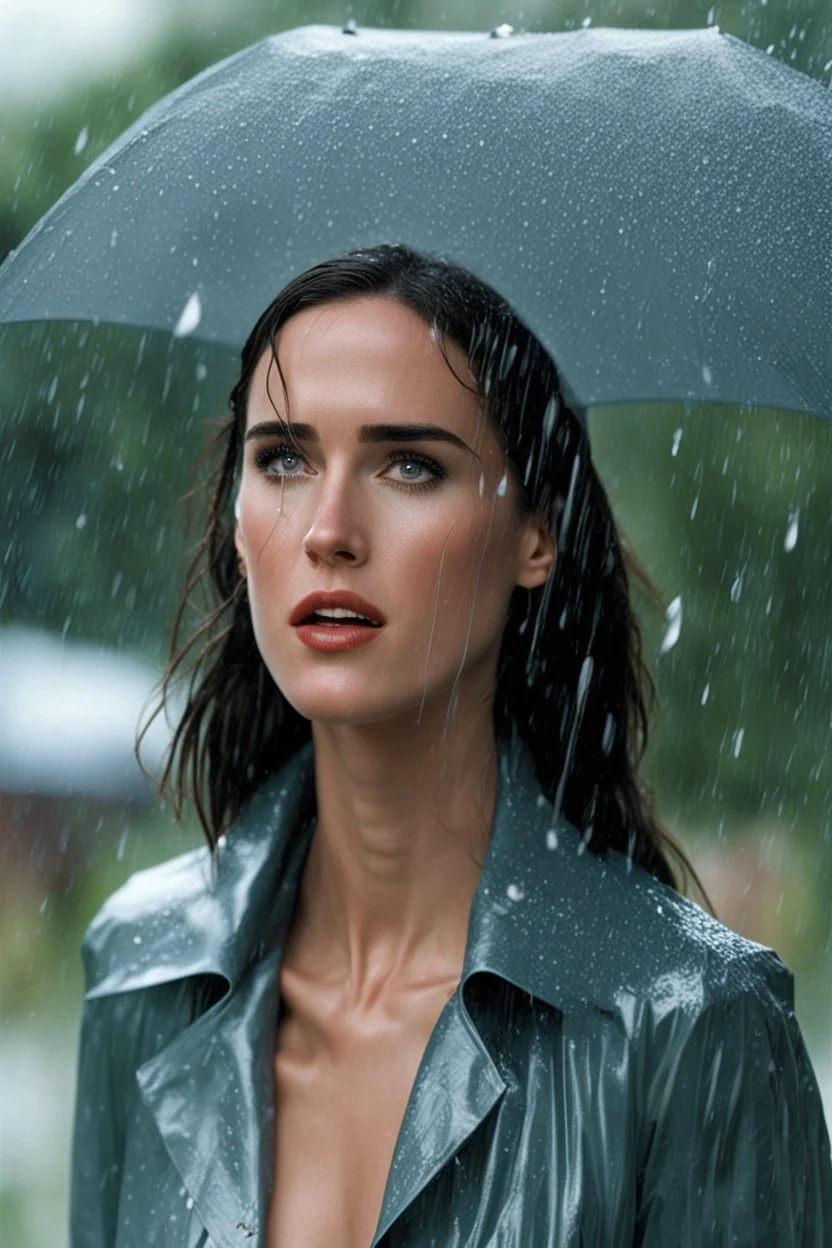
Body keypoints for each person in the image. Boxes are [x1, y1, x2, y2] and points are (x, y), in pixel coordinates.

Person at [70, 245, 832, 1247]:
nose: (329, 530)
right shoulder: (140, 971)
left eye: (409, 464)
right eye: (284, 458)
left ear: (535, 537)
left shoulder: (692, 1023)